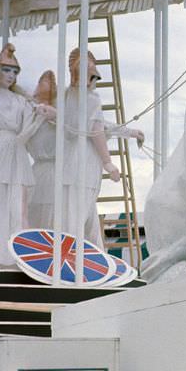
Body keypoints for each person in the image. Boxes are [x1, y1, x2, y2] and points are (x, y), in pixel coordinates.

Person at [26, 70, 143, 233]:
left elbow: (96, 125)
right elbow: (95, 125)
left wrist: (128, 132)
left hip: (62, 173)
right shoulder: (30, 115)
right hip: (44, 176)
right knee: (44, 222)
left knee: (71, 222)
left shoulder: (65, 116)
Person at [0, 45, 46, 268]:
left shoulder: (21, 101)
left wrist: (40, 117)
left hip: (14, 151)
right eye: (6, 70)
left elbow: (26, 133)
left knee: (18, 207)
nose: (10, 75)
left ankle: (18, 257)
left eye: (14, 71)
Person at [58, 49, 124, 248]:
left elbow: (100, 126)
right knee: (80, 217)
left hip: (70, 160)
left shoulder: (67, 96)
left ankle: (91, 252)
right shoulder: (91, 98)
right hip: (85, 161)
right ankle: (74, 255)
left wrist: (129, 132)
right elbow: (97, 130)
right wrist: (108, 163)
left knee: (80, 215)